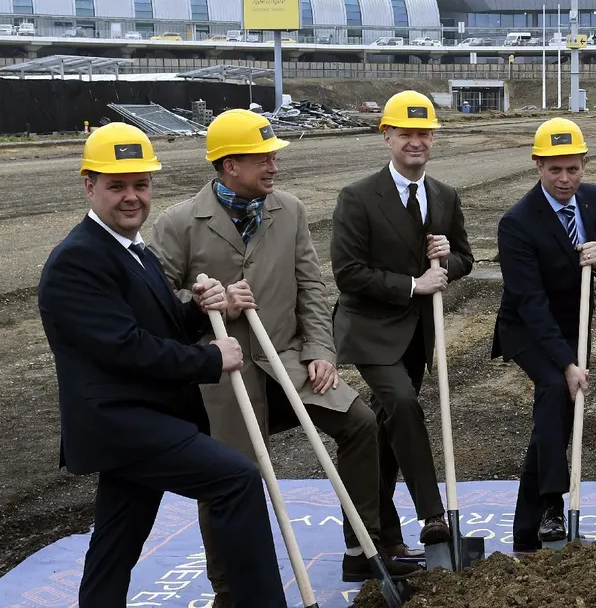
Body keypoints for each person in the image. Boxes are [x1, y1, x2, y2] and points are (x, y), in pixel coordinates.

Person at [151, 109, 415, 601]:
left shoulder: (287, 209)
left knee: (360, 423)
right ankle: (229, 588)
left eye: (273, 156)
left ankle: (364, 548)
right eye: (262, 158)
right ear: (230, 165)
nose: (273, 165)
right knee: (229, 475)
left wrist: (320, 349)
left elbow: (311, 286)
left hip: (287, 360)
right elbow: (157, 302)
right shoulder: (181, 223)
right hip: (224, 377)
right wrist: (202, 303)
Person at [39, 123, 286, 608]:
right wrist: (210, 358)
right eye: (117, 186)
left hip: (142, 421)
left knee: (115, 544)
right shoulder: (77, 261)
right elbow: (125, 348)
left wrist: (206, 308)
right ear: (89, 185)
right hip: (123, 425)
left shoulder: (131, 248)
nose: (132, 197)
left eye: (141, 184)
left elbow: (161, 324)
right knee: (236, 480)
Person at [331, 91, 473, 552]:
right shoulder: (357, 197)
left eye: (423, 133)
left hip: (416, 335)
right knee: (404, 405)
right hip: (370, 331)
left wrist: (446, 262)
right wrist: (415, 285)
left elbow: (465, 258)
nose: (416, 142)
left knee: (383, 431)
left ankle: (368, 534)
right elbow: (347, 273)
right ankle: (433, 514)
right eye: (406, 133)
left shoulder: (445, 196)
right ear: (386, 135)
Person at [491, 117, 596, 550]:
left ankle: (526, 530)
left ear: (584, 164)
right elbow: (530, 303)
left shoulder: (591, 199)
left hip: (574, 325)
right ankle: (552, 504)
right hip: (528, 329)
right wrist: (567, 363)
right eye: (555, 170)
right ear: (537, 166)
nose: (565, 179)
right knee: (554, 388)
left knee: (558, 416)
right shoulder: (518, 223)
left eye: (573, 168)